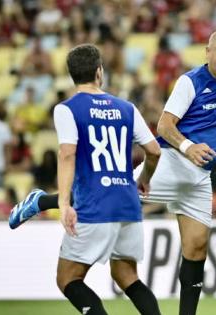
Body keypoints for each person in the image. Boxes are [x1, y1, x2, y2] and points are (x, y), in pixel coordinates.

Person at [9, 32, 216, 315]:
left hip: (200, 178)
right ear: (207, 52)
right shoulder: (191, 82)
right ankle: (40, 202)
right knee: (109, 191)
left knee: (197, 248)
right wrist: (188, 147)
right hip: (171, 163)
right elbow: (164, 126)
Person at [23, 44, 162, 315]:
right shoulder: (127, 108)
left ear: (72, 75)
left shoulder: (67, 109)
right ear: (100, 72)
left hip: (94, 205)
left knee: (68, 278)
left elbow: (66, 154)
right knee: (127, 277)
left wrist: (63, 203)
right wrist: (144, 178)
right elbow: (154, 151)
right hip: (128, 205)